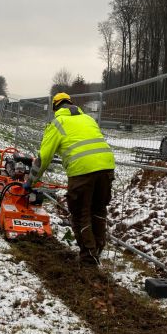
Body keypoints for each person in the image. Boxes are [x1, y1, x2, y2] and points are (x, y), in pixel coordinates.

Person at [24, 92, 115, 265]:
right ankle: (97, 250)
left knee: (81, 214)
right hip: (107, 167)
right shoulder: (88, 119)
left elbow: (43, 158)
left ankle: (89, 259)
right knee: (99, 210)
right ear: (71, 104)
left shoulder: (58, 123)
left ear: (55, 108)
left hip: (82, 171)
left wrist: (30, 182)